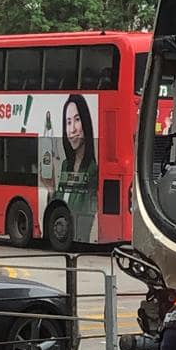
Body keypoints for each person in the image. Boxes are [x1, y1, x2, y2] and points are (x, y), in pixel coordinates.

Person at [54, 94, 99, 243]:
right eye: (68, 122)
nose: (72, 129)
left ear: (85, 123)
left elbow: (88, 213)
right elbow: (58, 202)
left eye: (77, 120)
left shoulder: (92, 169)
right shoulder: (66, 165)